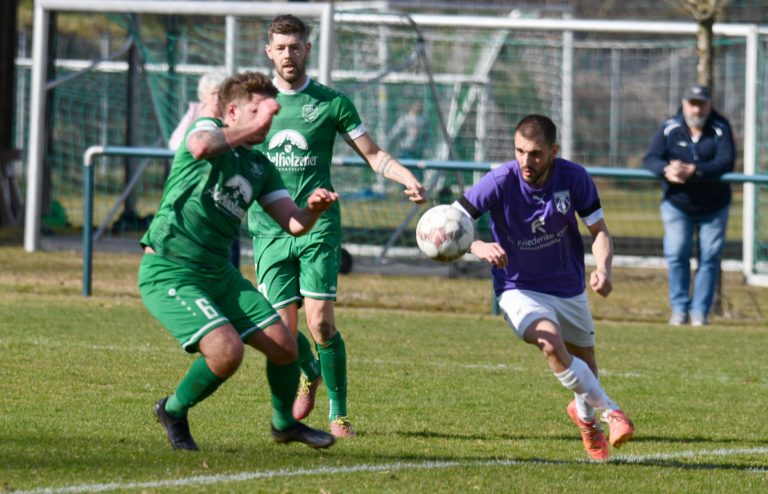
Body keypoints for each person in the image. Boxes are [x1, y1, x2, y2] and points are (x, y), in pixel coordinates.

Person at [139, 71, 339, 451]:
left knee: (285, 346)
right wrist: (254, 125)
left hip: (219, 274)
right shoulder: (207, 130)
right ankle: (174, 410)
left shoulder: (260, 167)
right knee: (226, 352)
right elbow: (199, 146)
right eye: (256, 111)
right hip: (169, 269)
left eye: (269, 114)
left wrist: (312, 209)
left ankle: (284, 425)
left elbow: (293, 222)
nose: (267, 121)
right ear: (231, 111)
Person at [248, 14, 426, 437]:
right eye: (281, 47)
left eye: (295, 46)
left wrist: (407, 178)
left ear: (307, 49)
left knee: (322, 324)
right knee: (282, 338)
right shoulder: (257, 104)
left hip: (318, 228)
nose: (288, 54)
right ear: (268, 51)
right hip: (269, 229)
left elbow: (373, 154)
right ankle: (310, 371)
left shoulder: (332, 103)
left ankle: (339, 412)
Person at [453, 114, 634, 461]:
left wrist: (604, 269)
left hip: (567, 285)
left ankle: (585, 421)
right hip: (517, 287)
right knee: (550, 343)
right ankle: (612, 412)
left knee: (587, 365)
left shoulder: (575, 178)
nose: (525, 161)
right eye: (519, 151)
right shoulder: (500, 180)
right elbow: (449, 220)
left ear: (553, 151)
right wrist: (477, 246)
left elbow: (600, 233)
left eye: (535, 153)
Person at [643, 84, 735, 327]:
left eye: (701, 103)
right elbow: (650, 158)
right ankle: (679, 309)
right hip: (677, 203)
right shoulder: (670, 127)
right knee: (676, 254)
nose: (696, 108)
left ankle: (699, 313)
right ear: (684, 104)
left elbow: (726, 161)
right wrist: (667, 170)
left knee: (710, 258)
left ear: (709, 104)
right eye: (692, 103)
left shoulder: (721, 127)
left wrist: (696, 170)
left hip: (714, 206)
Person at [168, 70, 228, 151]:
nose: (217, 98)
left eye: (220, 94)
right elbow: (174, 143)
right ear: (204, 95)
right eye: (213, 93)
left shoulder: (230, 115)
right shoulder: (195, 112)